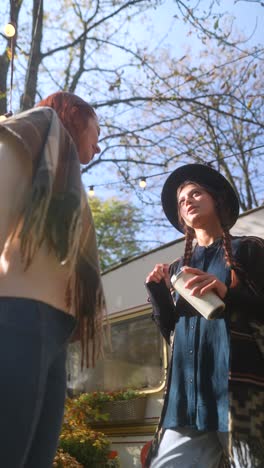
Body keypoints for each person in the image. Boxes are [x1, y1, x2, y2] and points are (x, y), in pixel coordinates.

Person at [0, 91, 106, 468]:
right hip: (16, 319)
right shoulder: (30, 134)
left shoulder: (65, 175)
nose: (99, 143)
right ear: (77, 114)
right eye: (98, 129)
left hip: (55, 336)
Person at [144, 164, 264, 468]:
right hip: (186, 395)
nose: (187, 201)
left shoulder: (249, 249)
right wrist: (159, 294)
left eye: (196, 193)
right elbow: (173, 333)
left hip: (239, 391)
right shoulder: (176, 270)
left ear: (217, 200)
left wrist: (228, 292)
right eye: (182, 200)